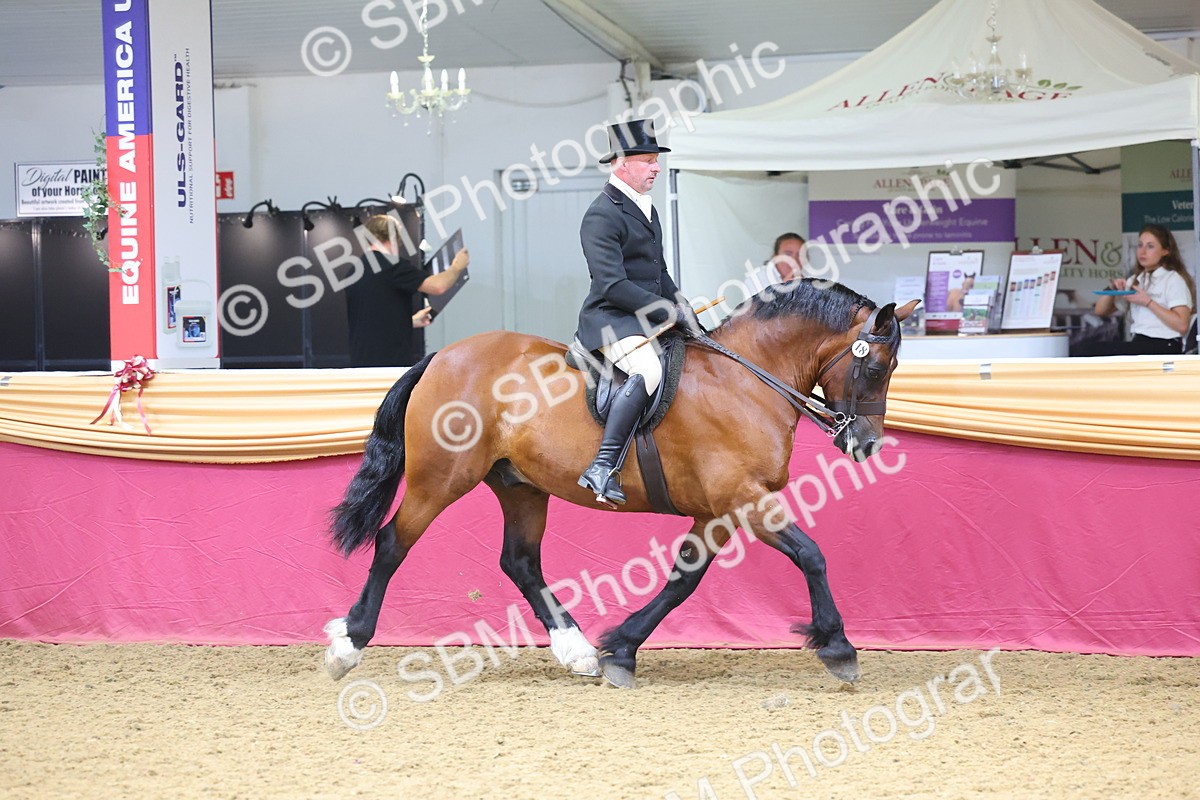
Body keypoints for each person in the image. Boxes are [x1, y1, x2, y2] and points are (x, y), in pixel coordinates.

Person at [574, 119, 698, 506]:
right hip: (611, 321)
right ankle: (602, 466)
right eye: (647, 160)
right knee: (649, 370)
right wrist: (663, 310)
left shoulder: (646, 209)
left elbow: (658, 272)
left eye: (655, 160)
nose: (656, 167)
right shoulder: (601, 216)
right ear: (620, 164)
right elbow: (611, 285)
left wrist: (682, 305)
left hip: (645, 316)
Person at [345, 214, 469, 367]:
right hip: (390, 362)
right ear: (394, 238)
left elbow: (373, 319)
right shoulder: (390, 265)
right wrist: (457, 267)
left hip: (361, 362)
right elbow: (438, 286)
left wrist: (410, 321)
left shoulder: (355, 270)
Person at [1088, 224, 1195, 356]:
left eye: (1150, 246)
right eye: (1140, 245)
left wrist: (1148, 302)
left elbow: (1182, 325)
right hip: (1139, 342)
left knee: (1096, 350)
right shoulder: (1136, 279)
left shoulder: (1173, 279)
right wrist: (1113, 288)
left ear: (1165, 251)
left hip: (1165, 345)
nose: (1142, 252)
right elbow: (1100, 310)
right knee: (1090, 348)